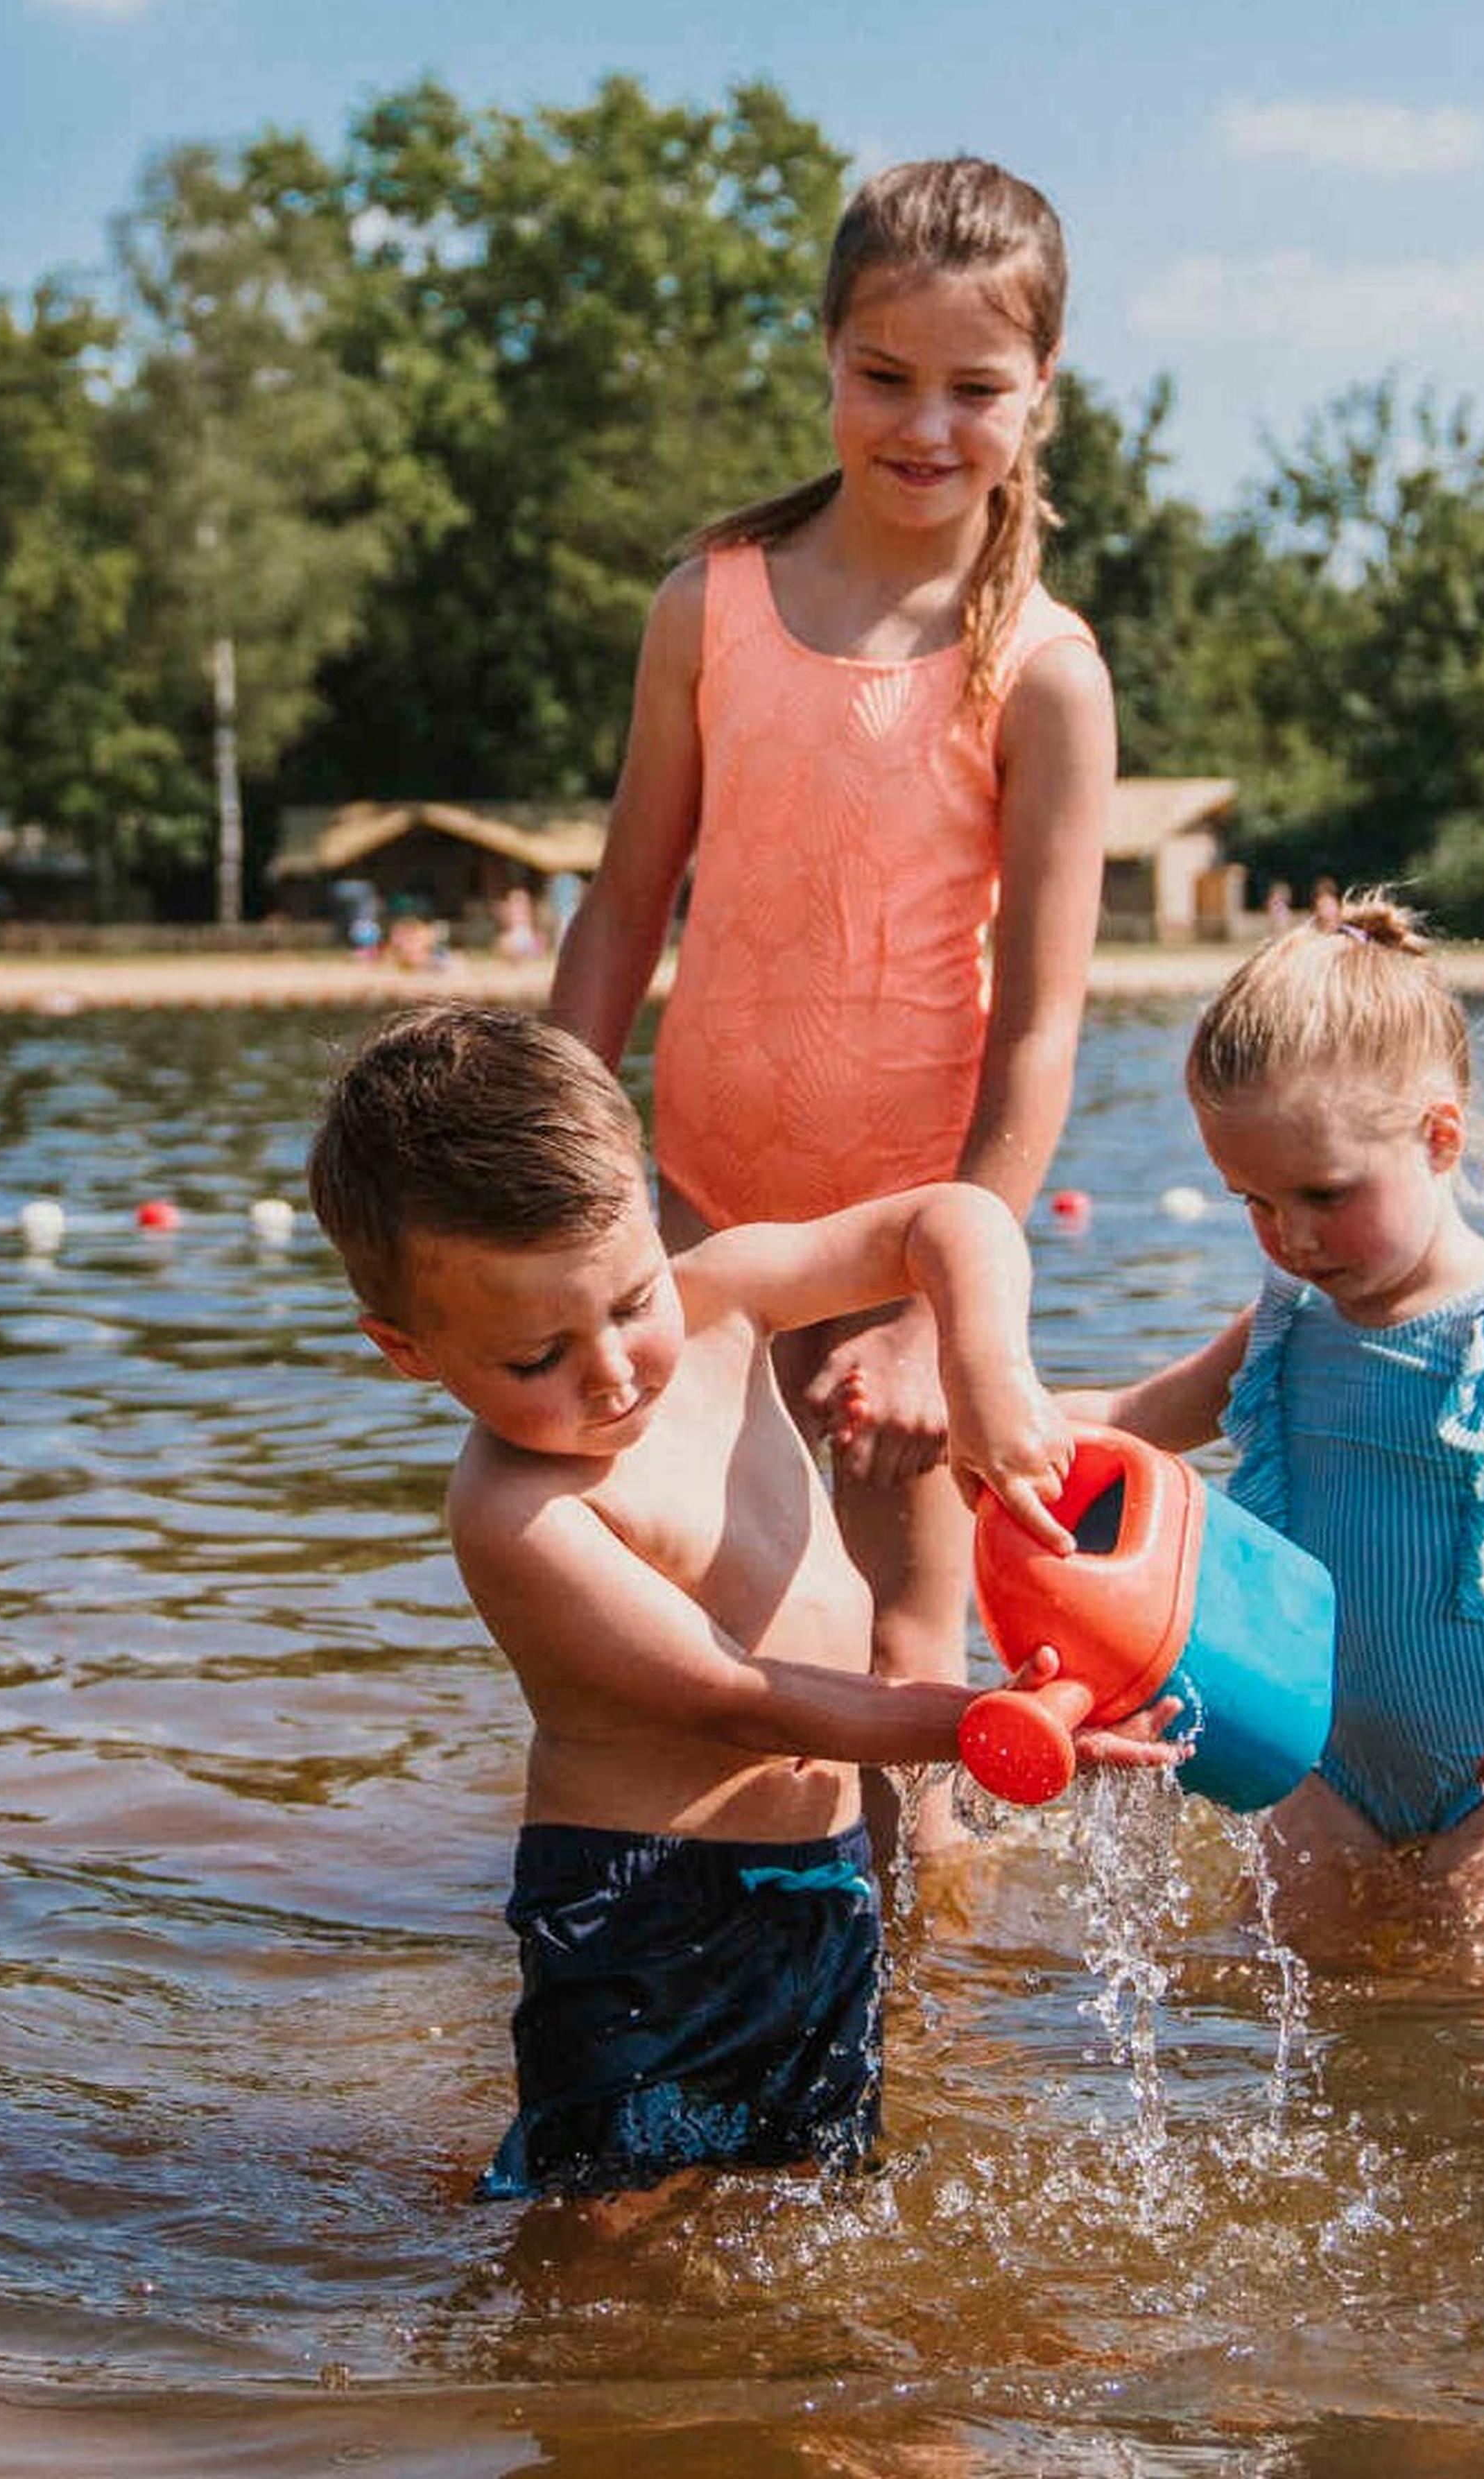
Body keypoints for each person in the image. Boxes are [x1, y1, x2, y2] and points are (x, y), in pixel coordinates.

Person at [306, 1004, 1180, 2209]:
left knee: (815, 2193)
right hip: (637, 1915)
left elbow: (952, 1217)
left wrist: (979, 1365)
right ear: (408, 1350)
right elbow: (736, 1698)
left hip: (821, 1885)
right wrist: (982, 1722)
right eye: (534, 1359)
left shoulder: (718, 1300)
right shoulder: (515, 1511)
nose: (611, 1371)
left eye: (626, 1302)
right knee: (601, 2229)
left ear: (653, 1232)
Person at [547, 156, 1116, 1854]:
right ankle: (718, 1957)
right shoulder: (706, 604)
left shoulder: (1043, 670)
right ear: (823, 362)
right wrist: (547, 1174)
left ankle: (923, 2044)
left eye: (972, 388)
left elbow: (1036, 1027)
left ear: (1040, 398)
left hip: (917, 1251)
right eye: (884, 376)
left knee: (906, 1669)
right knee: (694, 1629)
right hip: (699, 1221)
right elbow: (623, 899)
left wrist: (944, 1312)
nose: (922, 424)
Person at [1062, 899, 1484, 1958]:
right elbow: (1133, 1424)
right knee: (1305, 1990)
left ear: (1439, 1136)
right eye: (1253, 1202)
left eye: (1324, 1193)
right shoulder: (1283, 1324)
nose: (1293, 1237)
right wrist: (985, 1410)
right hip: (1323, 1762)